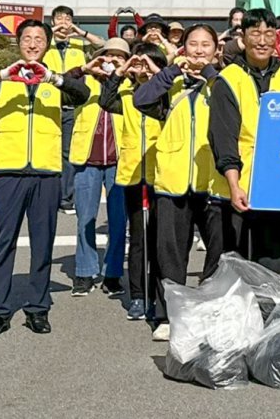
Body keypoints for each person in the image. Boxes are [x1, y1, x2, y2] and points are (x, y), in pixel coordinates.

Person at [0, 19, 91, 339]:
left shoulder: (54, 82)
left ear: (46, 44)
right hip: (9, 173)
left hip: (46, 174)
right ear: (18, 43)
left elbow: (83, 94)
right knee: (3, 243)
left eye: (39, 39)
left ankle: (37, 308)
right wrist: (2, 74)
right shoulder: (4, 81)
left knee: (42, 244)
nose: (33, 44)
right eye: (27, 39)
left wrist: (52, 77)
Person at [132, 23, 223, 341]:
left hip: (212, 178)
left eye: (206, 45)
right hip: (172, 178)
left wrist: (210, 73)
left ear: (216, 50)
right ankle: (170, 314)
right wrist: (170, 71)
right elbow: (140, 99)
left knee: (217, 251)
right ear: (183, 48)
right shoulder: (172, 80)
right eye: (193, 44)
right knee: (169, 252)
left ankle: (211, 310)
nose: (199, 50)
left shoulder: (222, 81)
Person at [210, 8, 280, 275]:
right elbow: (223, 135)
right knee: (236, 258)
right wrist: (234, 184)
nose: (262, 41)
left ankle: (271, 313)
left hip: (275, 183)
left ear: (277, 37)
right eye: (255, 33)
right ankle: (239, 314)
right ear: (243, 36)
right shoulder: (228, 78)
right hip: (237, 182)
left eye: (268, 33)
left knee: (272, 257)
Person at [98, 42, 168, 321]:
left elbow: (174, 88)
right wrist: (122, 71)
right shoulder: (125, 95)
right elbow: (105, 100)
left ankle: (159, 294)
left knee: (160, 240)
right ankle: (138, 295)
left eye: (147, 65)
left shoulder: (165, 94)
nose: (142, 70)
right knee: (138, 239)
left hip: (162, 174)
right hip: (132, 175)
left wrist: (156, 72)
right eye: (139, 64)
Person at [68, 38, 132, 298]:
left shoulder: (129, 84)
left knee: (118, 221)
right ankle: (84, 272)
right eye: (109, 55)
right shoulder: (86, 81)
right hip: (87, 158)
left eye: (120, 56)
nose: (114, 60)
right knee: (85, 218)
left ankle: (113, 273)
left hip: (120, 160)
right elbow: (62, 83)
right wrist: (84, 69)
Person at [44, 5, 94, 215]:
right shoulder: (45, 43)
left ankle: (66, 199)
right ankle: (47, 197)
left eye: (67, 18)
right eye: (59, 18)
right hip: (47, 105)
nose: (64, 22)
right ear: (53, 21)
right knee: (47, 151)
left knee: (67, 154)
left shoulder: (79, 45)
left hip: (73, 106)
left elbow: (101, 44)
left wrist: (78, 31)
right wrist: (50, 34)